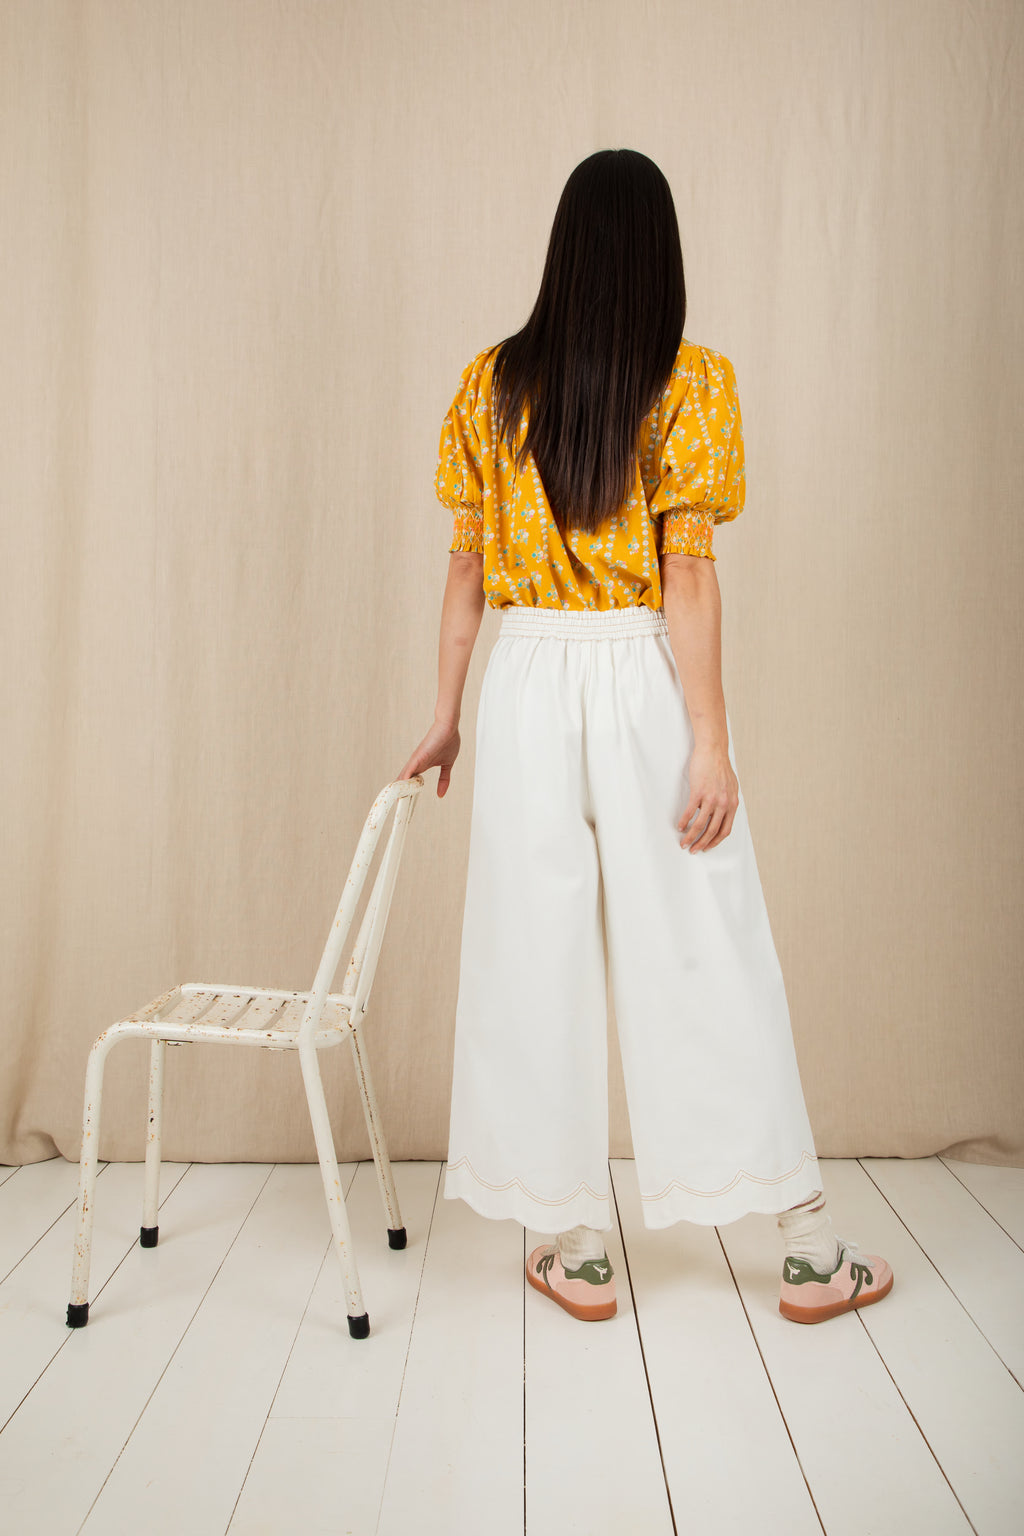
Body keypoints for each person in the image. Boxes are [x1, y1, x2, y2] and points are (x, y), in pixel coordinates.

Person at [397, 148, 893, 1327]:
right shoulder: (692, 382)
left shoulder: (488, 386)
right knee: (708, 945)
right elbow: (689, 576)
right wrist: (708, 742)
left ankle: (577, 1248)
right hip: (639, 678)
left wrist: (449, 716)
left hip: (524, 682)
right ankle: (807, 1251)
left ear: (563, 250)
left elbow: (464, 571)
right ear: (659, 253)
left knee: (535, 955)